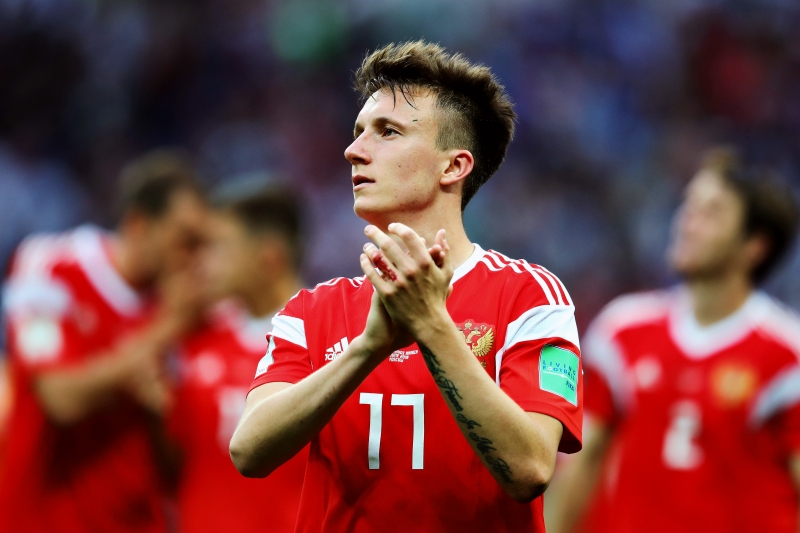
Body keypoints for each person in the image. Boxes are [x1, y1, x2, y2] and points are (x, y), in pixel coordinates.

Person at [229, 41, 583, 533]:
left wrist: (430, 324)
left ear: (453, 167)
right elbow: (248, 451)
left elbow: (530, 469)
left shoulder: (530, 298)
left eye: (388, 132)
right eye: (358, 132)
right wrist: (368, 347)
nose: (354, 150)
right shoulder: (311, 310)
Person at [546, 149, 800, 533]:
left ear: (755, 246)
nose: (687, 222)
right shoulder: (622, 332)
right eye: (689, 206)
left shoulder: (786, 358)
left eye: (712, 213)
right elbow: (581, 464)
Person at [0, 151, 208, 533]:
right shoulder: (51, 265)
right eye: (184, 241)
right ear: (138, 225)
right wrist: (166, 329)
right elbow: (59, 399)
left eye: (201, 245)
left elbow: (181, 463)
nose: (194, 259)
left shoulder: (194, 309)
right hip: (41, 521)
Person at [167, 185, 308, 533]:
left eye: (220, 247)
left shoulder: (328, 343)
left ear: (269, 256)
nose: (203, 262)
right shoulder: (194, 337)